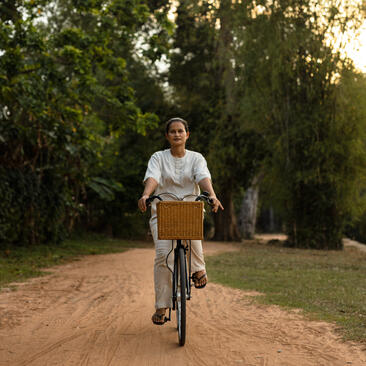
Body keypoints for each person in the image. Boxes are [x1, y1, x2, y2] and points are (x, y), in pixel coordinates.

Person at [138, 117, 224, 325]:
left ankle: (198, 268)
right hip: (163, 211)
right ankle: (162, 305)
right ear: (167, 136)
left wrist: (211, 194)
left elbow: (203, 177)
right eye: (173, 131)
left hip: (189, 209)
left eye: (181, 131)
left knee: (193, 229)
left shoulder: (196, 158)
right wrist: (146, 194)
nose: (177, 134)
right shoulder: (158, 157)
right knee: (161, 256)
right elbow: (153, 177)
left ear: (187, 134)